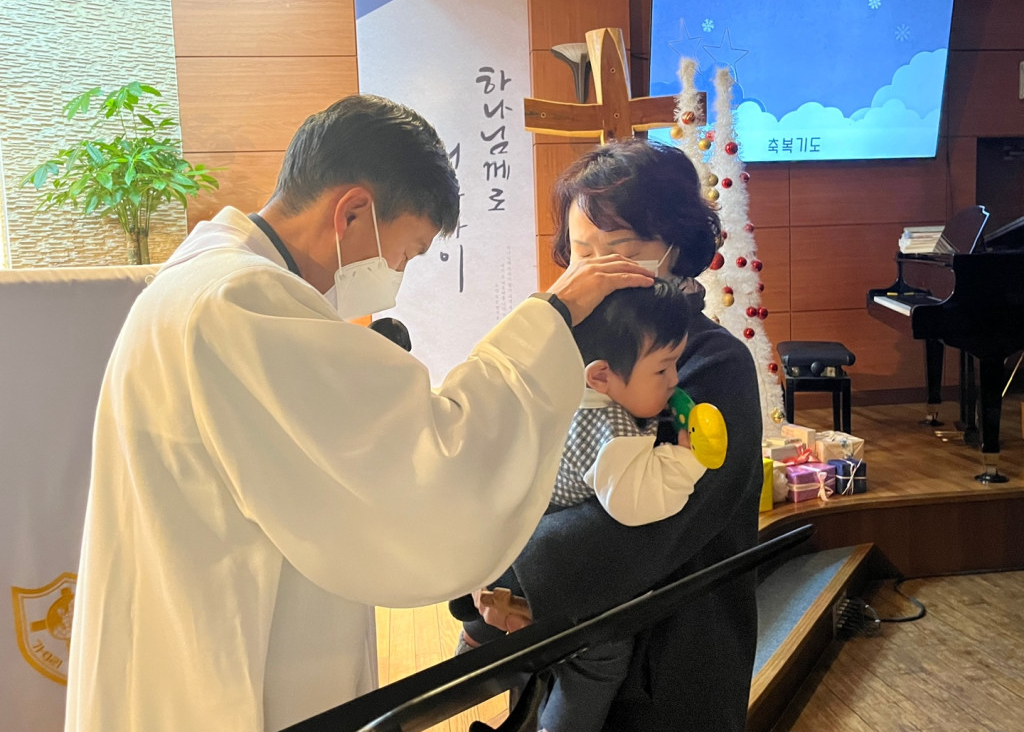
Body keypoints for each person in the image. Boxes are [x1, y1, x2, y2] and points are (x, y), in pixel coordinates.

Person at [63, 95, 655, 732]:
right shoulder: (241, 302)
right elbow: (433, 466)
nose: (397, 273)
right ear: (351, 211)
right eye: (407, 253)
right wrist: (552, 317)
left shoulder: (205, 278)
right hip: (218, 663)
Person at [467, 139, 764, 731]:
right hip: (558, 634)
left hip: (668, 658)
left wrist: (511, 570)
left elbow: (650, 525)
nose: (597, 273)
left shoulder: (713, 363)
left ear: (676, 250)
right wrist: (485, 582)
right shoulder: (564, 346)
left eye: (621, 252)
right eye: (583, 254)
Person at [452, 281, 711, 732]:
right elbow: (635, 503)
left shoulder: (572, 397)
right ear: (602, 376)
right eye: (663, 369)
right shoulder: (614, 434)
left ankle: (466, 662)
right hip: (546, 578)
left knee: (497, 633)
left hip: (512, 552)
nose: (675, 380)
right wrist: (686, 460)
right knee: (601, 657)